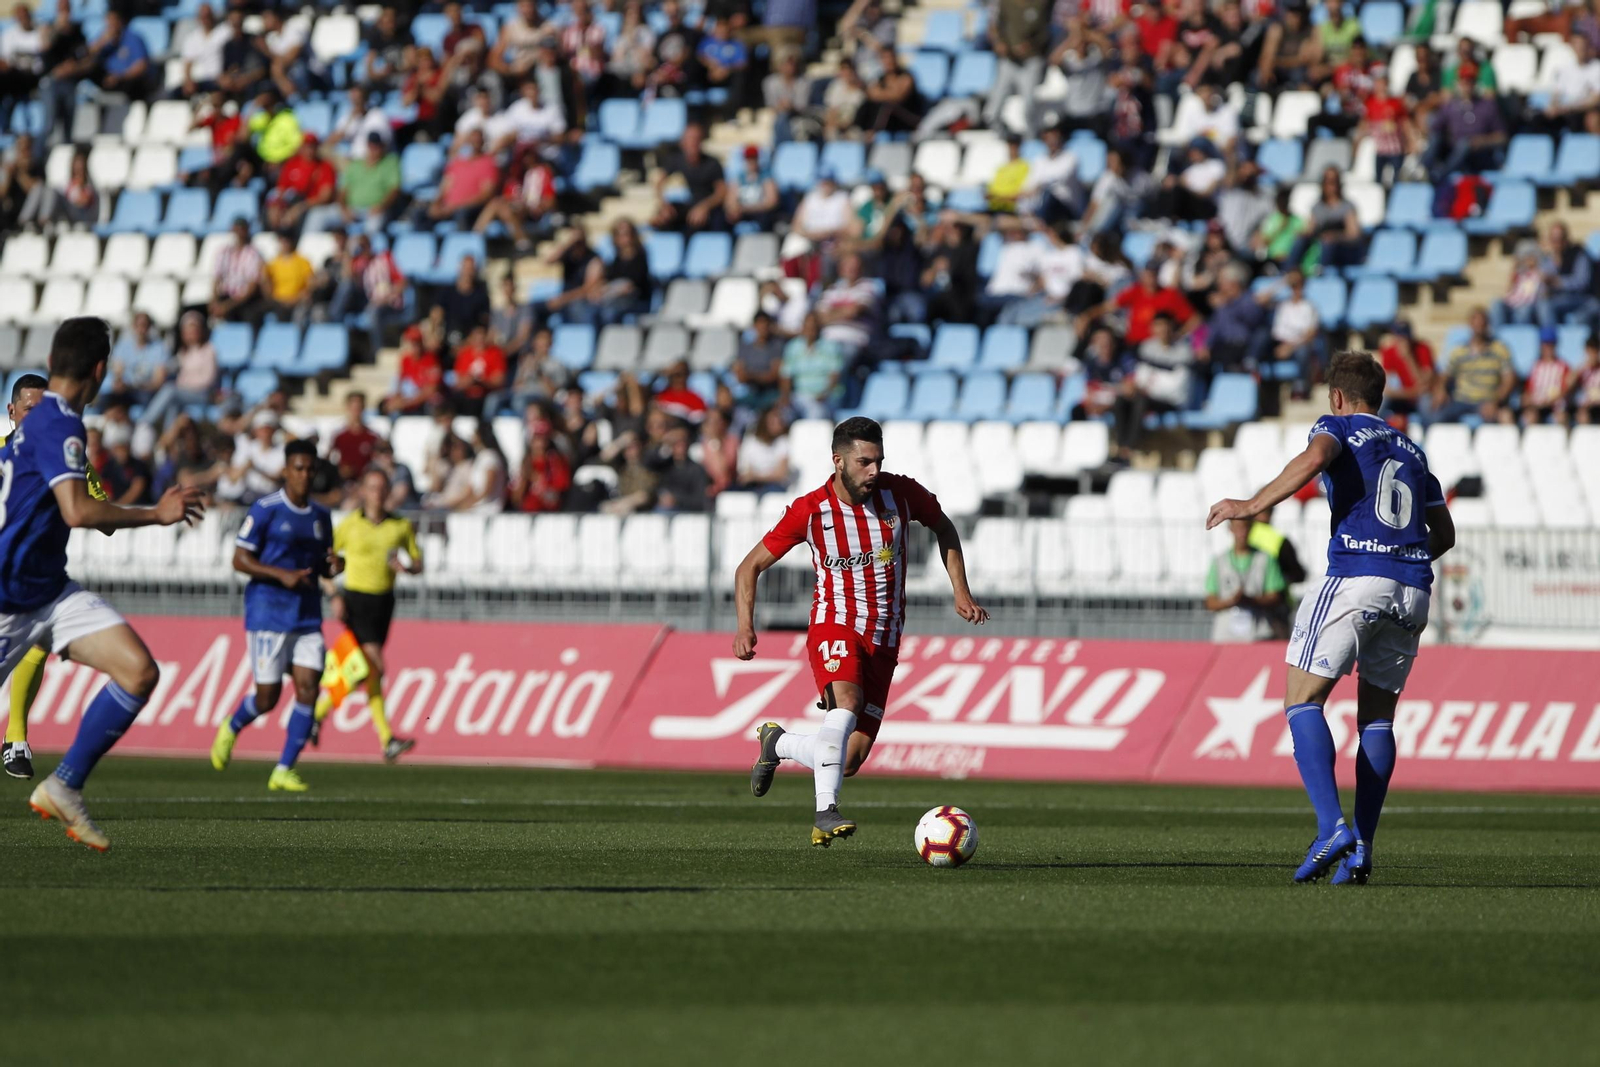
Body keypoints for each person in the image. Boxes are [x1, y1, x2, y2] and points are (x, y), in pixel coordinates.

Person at [1206, 351, 1455, 885]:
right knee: (1378, 718)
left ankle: (1330, 828)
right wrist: (1401, 562)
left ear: (1337, 397)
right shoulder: (1413, 450)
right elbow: (1446, 535)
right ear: (1380, 397)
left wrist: (1250, 505)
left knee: (1301, 698)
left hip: (1356, 576)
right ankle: (1362, 847)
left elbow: (1316, 456)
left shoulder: (1336, 426)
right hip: (1413, 588)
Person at [737, 417, 989, 846]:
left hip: (886, 637)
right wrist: (745, 626)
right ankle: (824, 812)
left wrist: (960, 591)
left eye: (878, 461)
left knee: (848, 758)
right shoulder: (811, 510)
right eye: (864, 462)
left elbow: (944, 528)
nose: (874, 471)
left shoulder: (901, 494)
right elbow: (750, 566)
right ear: (839, 461)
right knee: (847, 703)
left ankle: (777, 743)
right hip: (834, 624)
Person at [0, 318, 203, 849]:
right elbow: (76, 510)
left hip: (47, 590)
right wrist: (158, 514)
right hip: (7, 596)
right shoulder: (59, 423)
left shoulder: (44, 423)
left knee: (138, 671)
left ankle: (64, 786)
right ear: (100, 369)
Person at [210, 439, 341, 793]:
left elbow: (324, 566)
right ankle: (232, 726)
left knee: (309, 688)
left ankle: (284, 768)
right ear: (286, 470)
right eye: (298, 468)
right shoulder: (265, 509)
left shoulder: (320, 516)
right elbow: (239, 559)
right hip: (268, 612)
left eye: (310, 469)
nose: (304, 474)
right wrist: (280, 574)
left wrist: (334, 566)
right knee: (267, 697)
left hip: (307, 615)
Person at [0, 372, 110, 781]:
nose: (38, 417)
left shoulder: (66, 459)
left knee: (39, 639)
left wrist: (88, 483)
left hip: (28, 584)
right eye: (30, 409)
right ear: (12, 413)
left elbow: (103, 518)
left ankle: (15, 739)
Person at [312, 467, 421, 762]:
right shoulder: (349, 525)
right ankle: (386, 739)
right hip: (356, 600)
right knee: (376, 666)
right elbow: (325, 560)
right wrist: (334, 594)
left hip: (384, 603)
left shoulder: (399, 526)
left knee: (365, 671)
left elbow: (418, 560)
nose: (377, 493)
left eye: (382, 488)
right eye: (372, 487)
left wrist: (408, 568)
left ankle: (317, 715)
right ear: (363, 491)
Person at [1204, 516, 1286, 643]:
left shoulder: (1265, 559)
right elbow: (1210, 602)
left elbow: (1275, 596)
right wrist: (1231, 601)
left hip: (1257, 635)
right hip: (1225, 638)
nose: (1242, 532)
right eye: (1238, 528)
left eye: (1245, 527)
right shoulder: (1219, 562)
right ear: (1230, 529)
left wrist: (1250, 600)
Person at [1432, 309, 1516, 423]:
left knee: (1504, 416)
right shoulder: (1459, 350)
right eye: (1476, 322)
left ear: (1487, 324)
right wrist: (1441, 390)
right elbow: (1444, 374)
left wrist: (1495, 401)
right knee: (1435, 414)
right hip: (1461, 400)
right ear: (1470, 324)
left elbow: (1509, 379)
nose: (1479, 326)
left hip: (1487, 400)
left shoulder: (1499, 349)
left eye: (1482, 323)